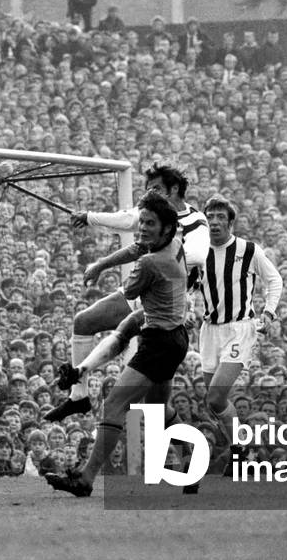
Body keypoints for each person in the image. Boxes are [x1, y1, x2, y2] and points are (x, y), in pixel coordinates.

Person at [45, 192, 187, 497]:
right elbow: (138, 246)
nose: (142, 227)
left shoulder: (150, 264)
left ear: (165, 228)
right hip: (175, 337)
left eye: (150, 223)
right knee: (158, 409)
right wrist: (102, 264)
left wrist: (98, 268)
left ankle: (85, 479)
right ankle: (194, 460)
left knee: (114, 405)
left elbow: (122, 316)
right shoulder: (175, 244)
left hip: (158, 341)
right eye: (142, 221)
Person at [43, 163, 209, 422]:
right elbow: (126, 221)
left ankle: (189, 452)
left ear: (174, 189)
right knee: (84, 321)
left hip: (168, 306)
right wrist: (89, 219)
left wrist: (163, 257)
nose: (151, 195)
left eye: (157, 189)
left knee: (155, 408)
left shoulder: (195, 221)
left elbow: (198, 254)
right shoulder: (152, 218)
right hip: (144, 289)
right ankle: (78, 396)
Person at [194, 196, 283, 444]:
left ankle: (242, 449)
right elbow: (187, 286)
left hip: (239, 328)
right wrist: (187, 310)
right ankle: (242, 449)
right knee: (215, 403)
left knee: (215, 397)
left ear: (231, 223)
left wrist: (269, 311)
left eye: (220, 217)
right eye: (210, 216)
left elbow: (274, 279)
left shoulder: (248, 250)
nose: (214, 221)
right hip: (209, 330)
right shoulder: (197, 252)